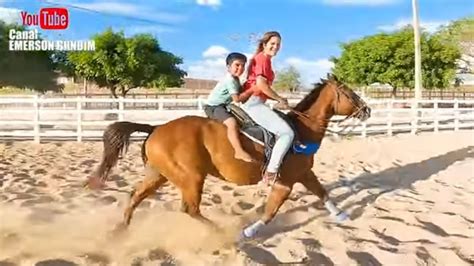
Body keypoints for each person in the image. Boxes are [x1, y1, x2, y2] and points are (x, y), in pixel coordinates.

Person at [240, 31, 294, 183]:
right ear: (264, 44)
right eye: (272, 44)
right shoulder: (262, 59)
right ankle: (271, 172)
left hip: (257, 101)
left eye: (278, 44)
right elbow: (261, 85)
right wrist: (279, 98)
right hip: (253, 103)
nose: (275, 47)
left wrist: (277, 99)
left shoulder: (265, 60)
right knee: (287, 134)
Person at [204, 52, 255, 162]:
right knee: (231, 122)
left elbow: (242, 92)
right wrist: (252, 89)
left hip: (223, 106)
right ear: (228, 67)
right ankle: (238, 151)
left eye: (243, 65)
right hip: (213, 107)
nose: (240, 68)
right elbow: (237, 98)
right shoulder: (230, 80)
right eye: (237, 65)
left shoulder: (235, 79)